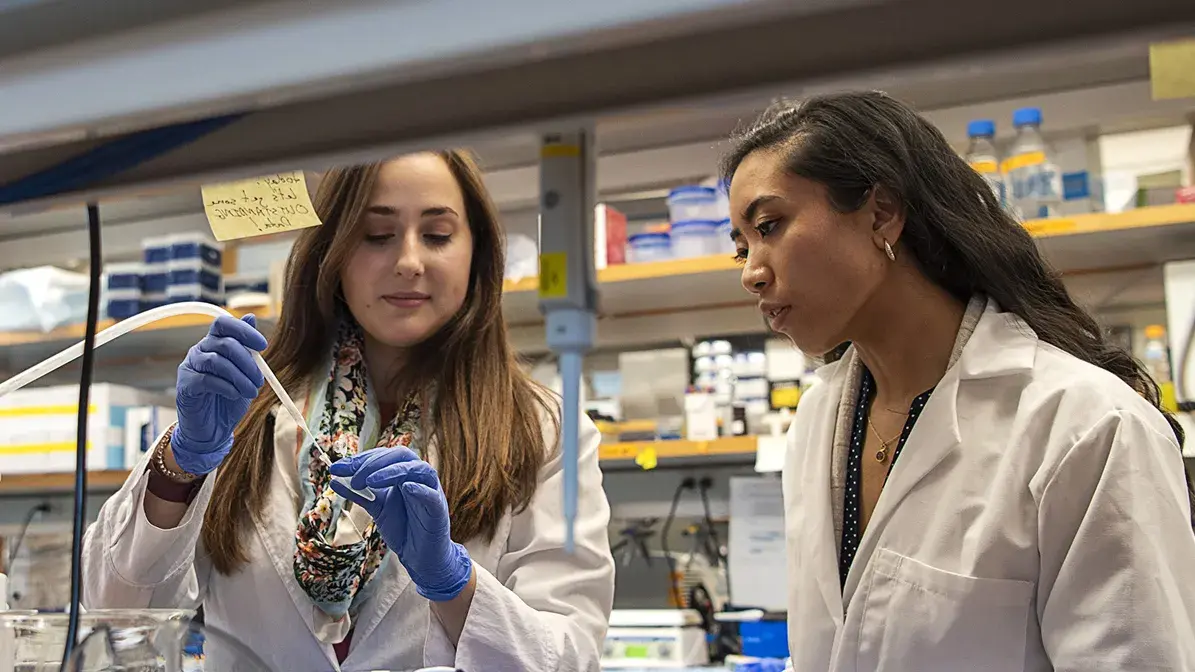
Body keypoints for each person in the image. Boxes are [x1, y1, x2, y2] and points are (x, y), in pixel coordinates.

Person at [82, 151, 616, 671]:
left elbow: (569, 657)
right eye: (377, 235)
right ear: (332, 254)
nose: (409, 261)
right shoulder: (246, 407)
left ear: (476, 253)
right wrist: (185, 461)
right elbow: (114, 609)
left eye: (437, 234)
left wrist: (454, 582)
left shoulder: (546, 432)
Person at [723, 91, 1195, 671]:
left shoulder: (1085, 426)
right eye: (740, 247)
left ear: (881, 213)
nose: (751, 273)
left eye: (770, 226)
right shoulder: (817, 422)